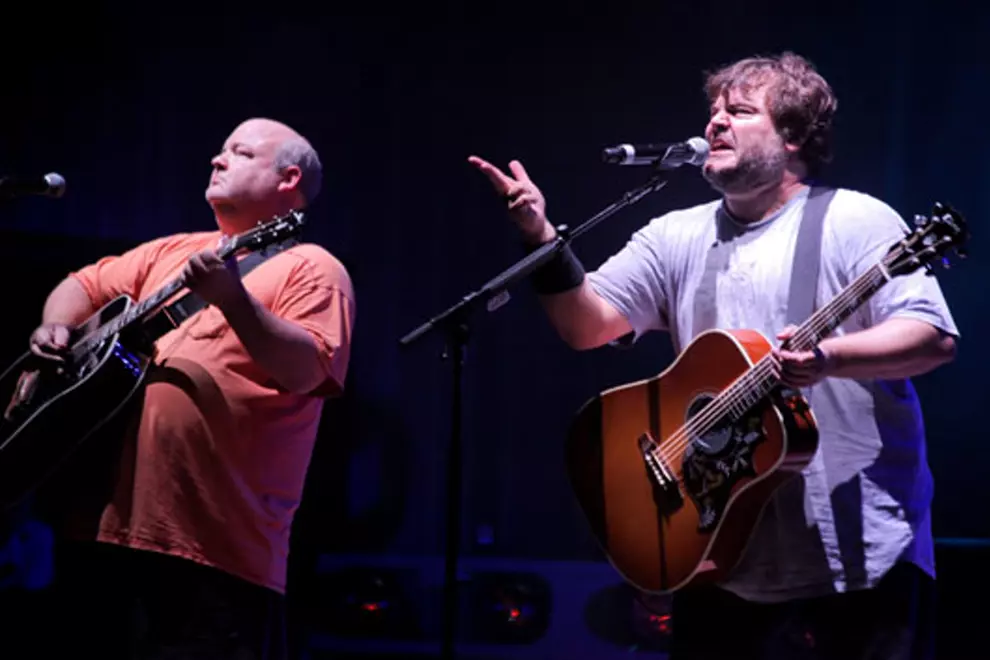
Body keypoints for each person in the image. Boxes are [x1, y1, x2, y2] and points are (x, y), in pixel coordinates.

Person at [469, 52, 957, 659]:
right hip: (715, 553)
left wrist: (828, 357)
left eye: (741, 111)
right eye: (715, 111)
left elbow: (931, 336)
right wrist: (541, 237)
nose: (716, 123)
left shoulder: (855, 219)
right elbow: (584, 325)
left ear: (795, 137)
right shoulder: (676, 235)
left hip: (857, 559)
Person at [22, 117, 355, 659]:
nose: (217, 160)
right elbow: (81, 285)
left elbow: (306, 371)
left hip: (213, 553)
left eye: (240, 153)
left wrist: (232, 298)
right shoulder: (175, 250)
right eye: (221, 149)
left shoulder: (312, 269)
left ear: (288, 180)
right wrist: (54, 326)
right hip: (98, 534)